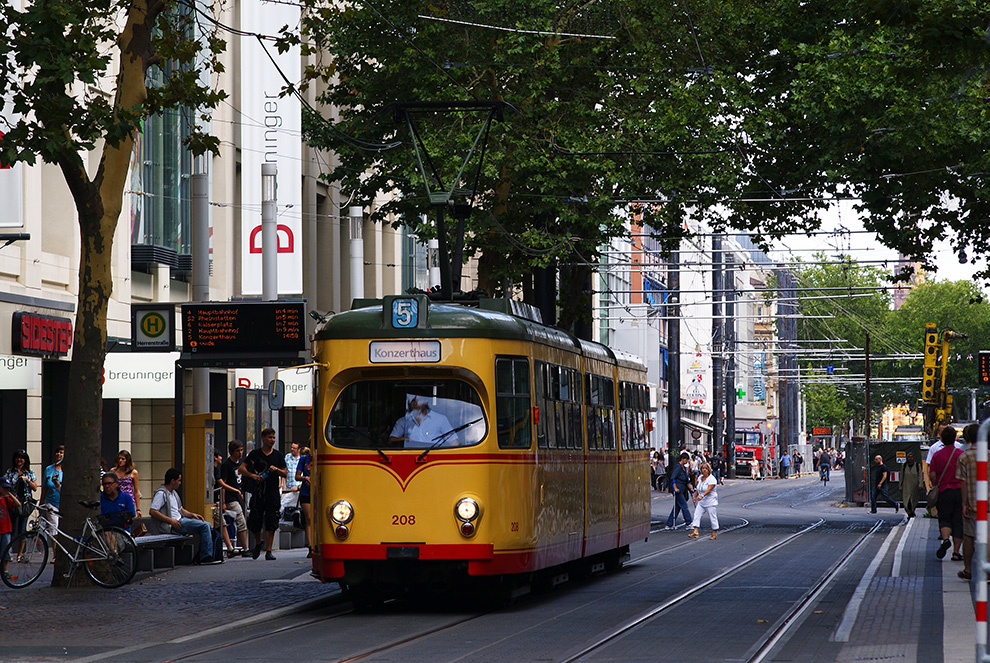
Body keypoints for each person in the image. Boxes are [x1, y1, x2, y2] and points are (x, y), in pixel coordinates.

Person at [149, 468, 222, 565]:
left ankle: (204, 554)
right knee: (204, 526)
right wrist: (171, 521)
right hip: (174, 524)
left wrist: (192, 515)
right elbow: (153, 511)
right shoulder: (161, 493)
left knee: (207, 525)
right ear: (172, 481)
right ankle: (205, 556)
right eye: (179, 480)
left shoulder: (174, 493)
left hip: (180, 520)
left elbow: (181, 509)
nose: (180, 483)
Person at [239, 427, 287, 560]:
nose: (272, 440)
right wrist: (253, 476)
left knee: (272, 520)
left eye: (273, 437)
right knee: (255, 520)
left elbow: (285, 473)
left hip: (272, 492)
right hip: (258, 492)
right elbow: (242, 468)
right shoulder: (255, 454)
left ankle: (269, 550)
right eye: (270, 437)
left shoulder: (278, 455)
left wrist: (276, 469)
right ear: (263, 438)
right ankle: (259, 543)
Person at [929, 438, 963, 561]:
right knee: (958, 521)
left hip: (944, 491)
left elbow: (932, 474)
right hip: (959, 491)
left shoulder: (937, 455)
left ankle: (945, 540)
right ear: (955, 438)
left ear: (942, 439)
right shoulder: (960, 454)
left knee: (945, 518)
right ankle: (956, 552)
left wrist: (935, 483)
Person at [218, 440, 249, 556]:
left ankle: (237, 547)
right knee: (240, 521)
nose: (240, 453)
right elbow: (223, 485)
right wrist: (223, 502)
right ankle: (245, 548)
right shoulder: (227, 465)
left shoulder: (240, 464)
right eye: (237, 451)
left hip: (238, 495)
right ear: (231, 452)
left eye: (241, 450)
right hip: (231, 497)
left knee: (236, 521)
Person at [956, 424, 979, 580]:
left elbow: (963, 482)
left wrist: (964, 504)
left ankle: (968, 570)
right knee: (988, 534)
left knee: (969, 536)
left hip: (972, 503)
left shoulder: (964, 457)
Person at [388, 395, 454, 448]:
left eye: (419, 400)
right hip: (409, 457)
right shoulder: (403, 421)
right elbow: (391, 440)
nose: (415, 403)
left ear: (426, 401)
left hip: (436, 458)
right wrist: (406, 440)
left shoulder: (440, 419)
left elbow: (454, 442)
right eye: (413, 400)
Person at [4, 449, 37, 539]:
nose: (19, 460)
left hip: (25, 503)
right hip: (13, 503)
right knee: (12, 528)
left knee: (22, 530)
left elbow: (35, 488)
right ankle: (9, 550)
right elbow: (4, 484)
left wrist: (27, 480)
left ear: (25, 459)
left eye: (22, 458)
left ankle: (20, 553)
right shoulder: (10, 472)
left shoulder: (30, 472)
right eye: (17, 457)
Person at [0, 476, 23, 581]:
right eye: (4, 488)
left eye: (7, 488)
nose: (6, 490)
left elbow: (18, 504)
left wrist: (10, 494)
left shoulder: (6, 499)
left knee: (6, 552)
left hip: (6, 529)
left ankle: (5, 571)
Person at [689, 462, 719, 540]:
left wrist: (702, 495)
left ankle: (714, 533)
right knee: (696, 514)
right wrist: (695, 497)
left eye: (706, 468)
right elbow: (698, 489)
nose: (704, 470)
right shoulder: (700, 478)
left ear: (709, 470)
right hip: (702, 502)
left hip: (710, 502)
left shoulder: (712, 479)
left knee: (712, 517)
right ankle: (695, 531)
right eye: (703, 468)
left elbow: (709, 489)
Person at [664, 452, 693, 530]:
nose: (687, 461)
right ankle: (689, 522)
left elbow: (686, 480)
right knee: (684, 506)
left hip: (683, 490)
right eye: (686, 460)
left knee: (677, 507)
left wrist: (690, 488)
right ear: (683, 459)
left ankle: (669, 524)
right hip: (678, 490)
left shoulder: (683, 468)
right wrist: (675, 488)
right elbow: (673, 478)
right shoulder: (678, 467)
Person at [40, 445, 63, 536]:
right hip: (50, 503)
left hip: (64, 503)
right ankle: (54, 550)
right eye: (57, 452)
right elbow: (44, 487)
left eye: (61, 452)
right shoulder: (49, 469)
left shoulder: (67, 470)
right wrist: (41, 503)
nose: (59, 454)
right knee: (54, 526)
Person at [112, 450, 142, 519]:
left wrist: (138, 509)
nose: (120, 461)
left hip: (129, 501)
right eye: (119, 458)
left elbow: (136, 491)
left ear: (127, 460)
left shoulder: (133, 473)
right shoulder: (113, 471)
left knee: (128, 522)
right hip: (116, 500)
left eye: (123, 459)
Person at [295, 446, 313, 557]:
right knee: (309, 518)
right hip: (306, 492)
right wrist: (305, 478)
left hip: (319, 492)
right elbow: (297, 476)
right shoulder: (304, 459)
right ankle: (310, 547)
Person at [900, 452, 923, 518]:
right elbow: (901, 476)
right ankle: (909, 512)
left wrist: (920, 484)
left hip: (914, 486)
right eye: (909, 457)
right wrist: (900, 486)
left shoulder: (917, 466)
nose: (910, 458)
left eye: (911, 457)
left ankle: (912, 512)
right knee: (906, 502)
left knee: (913, 500)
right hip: (906, 486)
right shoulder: (904, 466)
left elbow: (920, 476)